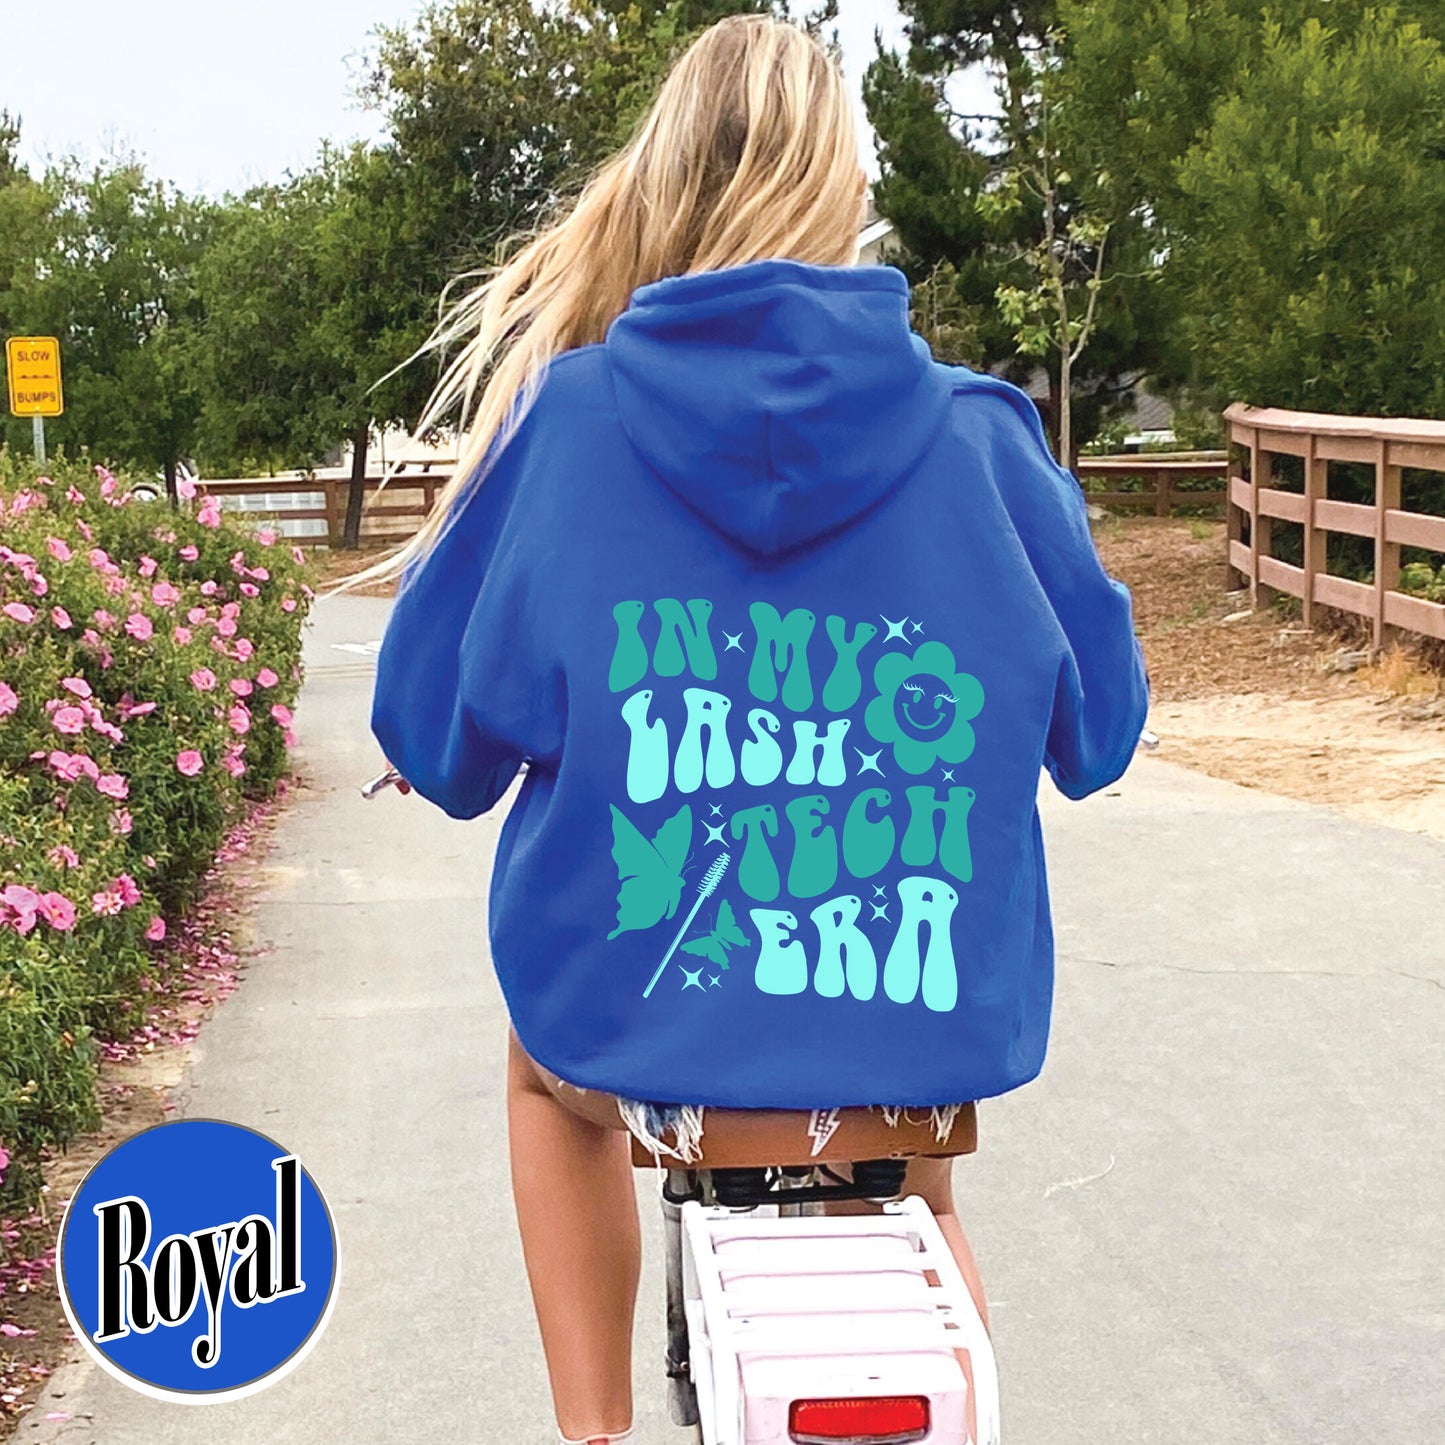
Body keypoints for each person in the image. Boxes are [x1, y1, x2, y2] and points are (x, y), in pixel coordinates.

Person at [364, 15, 1149, 1444]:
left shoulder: (566, 422)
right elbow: (1099, 735)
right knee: (905, 1163)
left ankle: (594, 1430)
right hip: (913, 1037)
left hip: (631, 1040)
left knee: (543, 1081)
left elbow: (436, 737)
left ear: (666, 182)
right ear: (845, 190)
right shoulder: (982, 435)